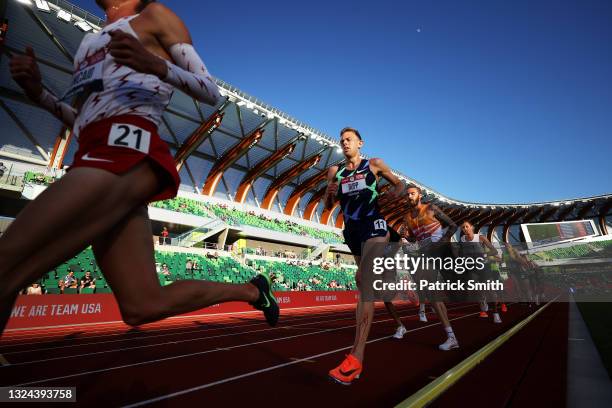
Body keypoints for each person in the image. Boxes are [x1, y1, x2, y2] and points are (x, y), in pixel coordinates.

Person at [0, 0, 277, 335]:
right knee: (141, 305)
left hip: (128, 154)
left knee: (7, 265)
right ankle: (251, 290)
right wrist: (39, 94)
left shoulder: (154, 16)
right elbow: (85, 122)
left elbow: (209, 90)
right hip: (92, 153)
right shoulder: (88, 44)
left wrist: (157, 66)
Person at [327, 127, 405, 385]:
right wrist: (330, 192)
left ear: (360, 143)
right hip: (352, 231)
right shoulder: (335, 172)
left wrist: (392, 196)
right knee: (364, 285)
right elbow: (329, 204)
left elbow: (399, 184)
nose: (345, 143)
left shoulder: (374, 165)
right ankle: (391, 281)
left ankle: (356, 357)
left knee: (365, 276)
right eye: (342, 141)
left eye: (349, 140)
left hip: (373, 224)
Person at [400, 184, 460, 351]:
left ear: (420, 195)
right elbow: (413, 239)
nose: (409, 197)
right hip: (427, 255)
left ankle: (451, 336)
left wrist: (444, 239)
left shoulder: (431, 208)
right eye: (407, 195)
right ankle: (451, 336)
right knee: (432, 295)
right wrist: (407, 236)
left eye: (412, 194)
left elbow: (453, 226)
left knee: (435, 295)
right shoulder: (407, 218)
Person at [460, 220, 502, 323]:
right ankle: (483, 301)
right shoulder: (462, 239)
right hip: (472, 268)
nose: (465, 229)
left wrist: (484, 255)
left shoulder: (480, 238)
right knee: (477, 288)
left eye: (466, 226)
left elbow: (494, 251)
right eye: (463, 228)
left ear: (472, 227)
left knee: (490, 290)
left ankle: (496, 314)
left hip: (484, 266)